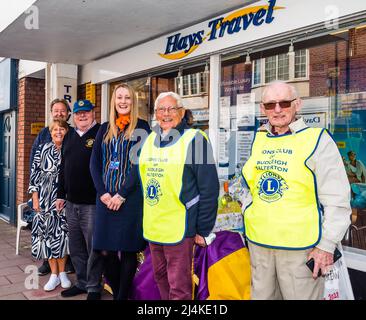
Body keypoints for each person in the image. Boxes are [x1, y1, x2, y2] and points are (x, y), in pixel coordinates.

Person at [241, 81, 351, 300]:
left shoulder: (317, 139)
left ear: (297, 104)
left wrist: (326, 246)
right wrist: (247, 210)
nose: (278, 109)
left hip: (301, 249)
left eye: (284, 103)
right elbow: (250, 186)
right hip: (260, 245)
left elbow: (337, 198)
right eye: (271, 104)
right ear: (263, 109)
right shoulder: (258, 138)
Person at [120, 91, 219, 300]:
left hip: (180, 228)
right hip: (155, 226)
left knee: (179, 287)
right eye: (161, 109)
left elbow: (209, 188)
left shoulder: (196, 140)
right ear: (155, 113)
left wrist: (203, 229)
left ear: (181, 112)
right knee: (161, 278)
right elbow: (137, 178)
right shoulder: (147, 141)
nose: (166, 114)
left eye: (171, 109)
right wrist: (119, 196)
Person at [89, 83, 150, 300]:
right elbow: (94, 163)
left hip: (130, 199)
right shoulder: (104, 128)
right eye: (119, 98)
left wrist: (122, 194)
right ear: (113, 101)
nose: (123, 102)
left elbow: (140, 164)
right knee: (104, 251)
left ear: (133, 102)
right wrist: (103, 193)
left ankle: (122, 297)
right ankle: (117, 293)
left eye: (127, 98)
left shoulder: (142, 127)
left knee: (128, 251)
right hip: (105, 199)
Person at [55, 99, 103, 300]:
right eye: (78, 113)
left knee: (93, 247)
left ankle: (93, 287)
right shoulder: (70, 136)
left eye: (86, 112)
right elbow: (63, 168)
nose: (82, 116)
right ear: (72, 116)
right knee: (76, 247)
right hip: (71, 203)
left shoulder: (101, 133)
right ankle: (82, 283)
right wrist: (60, 195)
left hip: (92, 203)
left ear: (93, 113)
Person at [29, 98, 74, 276]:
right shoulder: (43, 135)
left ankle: (67, 262)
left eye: (62, 110)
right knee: (46, 228)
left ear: (68, 113)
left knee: (65, 229)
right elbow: (35, 164)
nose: (59, 113)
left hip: (66, 192)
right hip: (46, 192)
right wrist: (34, 194)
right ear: (51, 113)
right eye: (56, 110)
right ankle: (48, 264)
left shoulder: (72, 134)